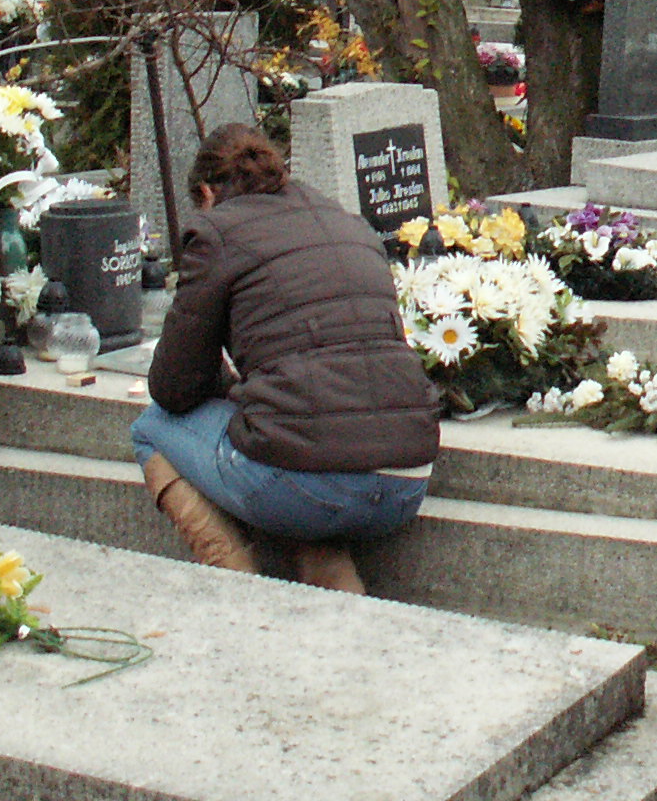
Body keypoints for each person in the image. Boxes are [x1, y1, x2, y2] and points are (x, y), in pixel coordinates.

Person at [134, 124, 439, 593]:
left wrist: (228, 383)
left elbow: (173, 387)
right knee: (287, 435)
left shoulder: (217, 232)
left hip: (303, 488)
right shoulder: (347, 222)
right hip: (406, 482)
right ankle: (335, 582)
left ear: (207, 193)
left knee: (152, 427)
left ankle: (239, 589)